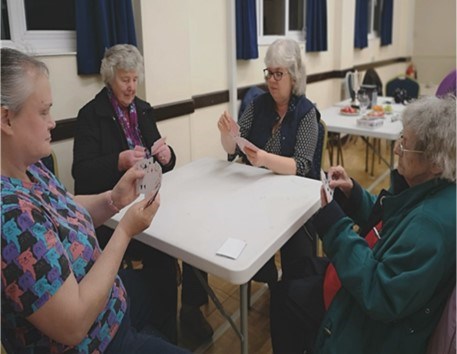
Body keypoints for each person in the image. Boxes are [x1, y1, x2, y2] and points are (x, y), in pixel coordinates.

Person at [1, 48, 190, 353]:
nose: (52, 123)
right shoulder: (10, 218)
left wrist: (113, 199)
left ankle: (159, 337)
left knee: (163, 278)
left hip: (111, 301)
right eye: (44, 111)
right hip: (97, 339)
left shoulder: (32, 167)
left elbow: (65, 207)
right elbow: (73, 326)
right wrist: (125, 229)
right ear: (7, 119)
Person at [269, 95, 456, 354]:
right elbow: (392, 225)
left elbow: (380, 294)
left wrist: (334, 227)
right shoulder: (432, 189)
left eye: (406, 144)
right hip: (374, 268)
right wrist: (354, 195)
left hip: (373, 324)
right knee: (298, 267)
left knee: (282, 296)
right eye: (401, 138)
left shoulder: (431, 225)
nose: (397, 149)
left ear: (435, 162)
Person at [71, 44, 213, 344]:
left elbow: (167, 160)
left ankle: (190, 308)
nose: (132, 86)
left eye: (135, 79)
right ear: (110, 78)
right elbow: (81, 173)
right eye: (125, 79)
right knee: (162, 255)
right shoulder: (91, 115)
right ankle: (164, 334)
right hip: (115, 212)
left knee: (194, 230)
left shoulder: (143, 110)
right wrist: (118, 161)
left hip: (151, 196)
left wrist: (166, 154)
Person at [217, 38, 320, 283]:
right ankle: (264, 276)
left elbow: (302, 165)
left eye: (278, 74)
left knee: (297, 261)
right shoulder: (258, 104)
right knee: (225, 223)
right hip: (256, 192)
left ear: (294, 77)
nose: (271, 80)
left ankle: (288, 291)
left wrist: (264, 159)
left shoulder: (306, 112)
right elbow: (233, 150)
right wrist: (227, 134)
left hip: (292, 199)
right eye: (269, 73)